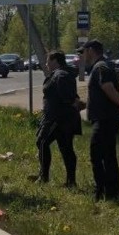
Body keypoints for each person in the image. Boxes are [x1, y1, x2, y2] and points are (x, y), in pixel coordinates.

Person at [79, 40, 119, 200]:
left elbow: (107, 87)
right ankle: (111, 192)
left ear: (90, 50)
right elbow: (101, 91)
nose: (82, 55)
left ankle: (102, 191)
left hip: (105, 119)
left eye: (83, 51)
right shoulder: (103, 66)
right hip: (106, 117)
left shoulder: (101, 66)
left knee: (97, 155)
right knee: (108, 155)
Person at [36, 51, 83, 186]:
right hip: (62, 118)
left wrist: (75, 103)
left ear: (55, 61)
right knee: (65, 147)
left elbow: (68, 96)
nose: (46, 64)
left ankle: (44, 177)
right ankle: (70, 181)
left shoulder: (61, 75)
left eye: (48, 61)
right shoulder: (62, 74)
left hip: (58, 118)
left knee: (42, 142)